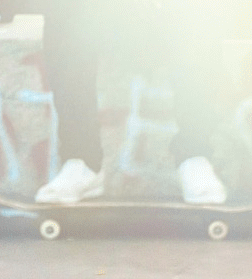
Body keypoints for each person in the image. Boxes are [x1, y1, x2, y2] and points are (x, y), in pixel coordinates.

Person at [35, 1, 238, 205]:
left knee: (199, 8)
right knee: (64, 8)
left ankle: (194, 157)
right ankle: (81, 163)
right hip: (106, 16)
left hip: (166, 15)